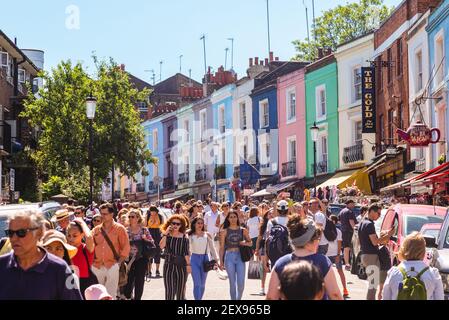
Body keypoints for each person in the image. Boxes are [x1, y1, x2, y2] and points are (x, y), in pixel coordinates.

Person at [0, 209, 82, 300]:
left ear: (39, 233)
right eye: (10, 233)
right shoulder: (2, 265)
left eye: (21, 233)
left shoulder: (60, 269)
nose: (14, 239)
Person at [266, 215, 342, 300]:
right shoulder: (322, 261)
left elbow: (271, 297)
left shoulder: (281, 262)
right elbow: (335, 294)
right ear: (312, 241)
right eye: (318, 239)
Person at [382, 232, 444, 300]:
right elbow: (440, 298)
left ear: (403, 250)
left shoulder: (393, 273)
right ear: (423, 251)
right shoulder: (433, 274)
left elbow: (385, 297)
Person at [91, 203, 130, 300]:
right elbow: (90, 246)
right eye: (101, 214)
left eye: (105, 214)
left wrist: (118, 263)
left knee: (110, 295)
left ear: (112, 214)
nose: (102, 216)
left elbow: (125, 247)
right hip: (97, 266)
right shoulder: (96, 230)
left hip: (112, 265)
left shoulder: (119, 229)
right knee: (97, 295)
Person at [358, 204, 394, 300]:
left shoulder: (363, 222)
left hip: (366, 255)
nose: (379, 216)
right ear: (372, 211)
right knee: (373, 285)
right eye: (378, 213)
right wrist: (388, 235)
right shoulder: (369, 224)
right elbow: (375, 242)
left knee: (372, 284)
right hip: (371, 256)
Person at [219, 210, 253, 300]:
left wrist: (244, 243)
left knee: (241, 283)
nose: (233, 219)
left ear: (237, 218)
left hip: (240, 256)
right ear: (228, 219)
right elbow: (221, 248)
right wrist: (221, 261)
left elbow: (251, 243)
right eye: (231, 217)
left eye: (235, 217)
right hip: (229, 256)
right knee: (232, 283)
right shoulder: (224, 231)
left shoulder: (243, 230)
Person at [124, 209, 154, 300]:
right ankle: (129, 296)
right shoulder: (125, 230)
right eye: (129, 216)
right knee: (128, 282)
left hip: (141, 259)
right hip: (129, 259)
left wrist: (145, 239)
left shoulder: (144, 230)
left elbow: (152, 243)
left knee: (139, 281)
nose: (130, 218)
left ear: (138, 218)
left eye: (132, 216)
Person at [160, 214, 191, 300]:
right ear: (170, 224)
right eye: (173, 223)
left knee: (180, 293)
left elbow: (186, 252)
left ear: (182, 225)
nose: (175, 225)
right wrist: (166, 234)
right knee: (169, 292)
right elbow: (161, 246)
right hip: (168, 265)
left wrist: (188, 265)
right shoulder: (167, 236)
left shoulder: (184, 237)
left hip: (181, 266)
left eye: (178, 224)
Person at [188, 217, 219, 300]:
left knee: (202, 284)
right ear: (194, 224)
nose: (200, 225)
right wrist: (187, 262)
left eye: (201, 223)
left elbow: (212, 248)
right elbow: (187, 248)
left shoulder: (207, 234)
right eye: (198, 223)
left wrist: (216, 260)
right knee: (197, 283)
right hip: (194, 259)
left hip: (205, 259)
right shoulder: (190, 234)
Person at [66, 218, 96, 299]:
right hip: (68, 283)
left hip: (84, 284)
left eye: (75, 235)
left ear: (82, 234)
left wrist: (82, 223)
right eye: (69, 235)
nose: (71, 238)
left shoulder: (86, 249)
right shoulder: (64, 250)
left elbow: (89, 237)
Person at [326, 215, 349, 298]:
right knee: (326, 273)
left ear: (335, 222)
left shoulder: (338, 231)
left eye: (332, 220)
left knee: (340, 271)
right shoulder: (325, 230)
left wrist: (338, 255)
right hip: (326, 255)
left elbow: (339, 244)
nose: (330, 222)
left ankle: (345, 289)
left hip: (335, 254)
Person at [265, 200, 291, 267]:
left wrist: (266, 257)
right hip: (289, 252)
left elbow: (268, 239)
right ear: (288, 210)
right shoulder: (292, 220)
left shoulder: (271, 221)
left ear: (277, 210)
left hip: (275, 252)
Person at [255, 209, 274, 296]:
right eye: (269, 213)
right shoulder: (263, 225)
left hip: (275, 247)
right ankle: (262, 288)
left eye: (273, 213)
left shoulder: (277, 223)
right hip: (264, 246)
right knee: (263, 267)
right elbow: (259, 237)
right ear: (266, 216)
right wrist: (256, 249)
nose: (271, 215)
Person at [338, 199, 357, 270]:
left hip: (343, 231)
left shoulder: (342, 211)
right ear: (349, 204)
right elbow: (351, 222)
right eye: (353, 204)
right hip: (349, 232)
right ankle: (350, 264)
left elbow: (339, 221)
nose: (354, 205)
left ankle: (347, 264)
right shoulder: (350, 212)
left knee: (346, 248)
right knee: (351, 248)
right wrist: (356, 230)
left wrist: (344, 225)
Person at [146, 206, 164, 278]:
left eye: (153, 211)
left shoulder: (160, 216)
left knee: (158, 251)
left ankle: (157, 270)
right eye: (151, 211)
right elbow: (145, 225)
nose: (152, 212)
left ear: (156, 211)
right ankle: (149, 270)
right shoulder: (148, 216)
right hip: (150, 232)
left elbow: (163, 226)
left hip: (157, 233)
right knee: (150, 251)